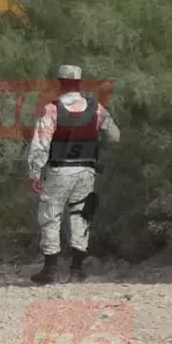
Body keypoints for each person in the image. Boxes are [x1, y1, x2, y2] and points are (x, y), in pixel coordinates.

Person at [26, 64, 120, 285]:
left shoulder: (52, 109)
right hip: (86, 171)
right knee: (81, 216)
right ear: (80, 83)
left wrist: (35, 172)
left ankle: (50, 271)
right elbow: (115, 136)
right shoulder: (96, 108)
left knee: (51, 216)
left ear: (59, 83)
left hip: (59, 171)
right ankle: (77, 271)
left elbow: (41, 144)